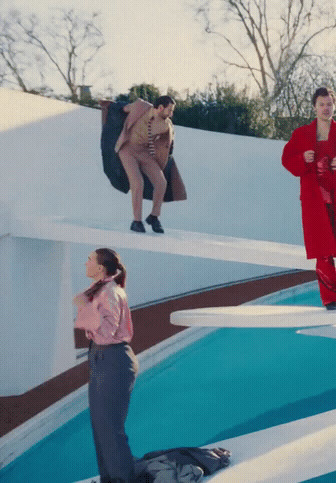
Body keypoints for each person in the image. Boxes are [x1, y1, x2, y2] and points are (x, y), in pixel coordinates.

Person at [282, 87, 336, 310]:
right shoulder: (301, 135)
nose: (325, 108)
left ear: (334, 106)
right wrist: (302, 157)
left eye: (329, 104)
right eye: (321, 104)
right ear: (314, 107)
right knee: (322, 250)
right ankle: (331, 300)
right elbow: (287, 160)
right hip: (315, 201)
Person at [73, 248, 138, 482]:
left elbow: (107, 332)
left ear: (100, 267)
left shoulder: (109, 292)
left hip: (112, 359)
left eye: (89, 259)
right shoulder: (102, 289)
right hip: (104, 359)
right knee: (102, 428)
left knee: (111, 430)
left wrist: (83, 306)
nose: (85, 262)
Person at [114, 95, 186, 233]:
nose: (171, 114)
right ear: (159, 108)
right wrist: (115, 107)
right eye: (169, 110)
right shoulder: (141, 107)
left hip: (145, 153)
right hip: (127, 150)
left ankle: (154, 216)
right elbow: (124, 109)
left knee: (161, 182)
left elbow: (167, 145)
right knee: (137, 182)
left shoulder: (166, 125)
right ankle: (136, 221)